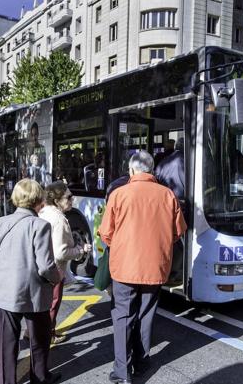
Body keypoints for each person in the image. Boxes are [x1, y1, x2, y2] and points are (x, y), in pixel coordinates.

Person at [98, 151, 187, 384]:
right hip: (155, 267)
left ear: (131, 170)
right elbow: (178, 232)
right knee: (146, 315)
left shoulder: (119, 195)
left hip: (124, 267)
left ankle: (122, 372)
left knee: (123, 317)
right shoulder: (168, 195)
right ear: (152, 170)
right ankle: (142, 362)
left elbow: (106, 234)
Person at [0, 179, 62, 384]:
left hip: (2, 292)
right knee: (39, 340)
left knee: (7, 343)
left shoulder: (0, 223)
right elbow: (46, 266)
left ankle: (6, 381)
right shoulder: (40, 225)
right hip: (34, 294)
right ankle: (39, 377)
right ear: (39, 199)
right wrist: (57, 279)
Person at [39, 181, 92, 344]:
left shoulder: (43, 212)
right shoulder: (59, 219)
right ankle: (48, 334)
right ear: (56, 201)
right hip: (54, 269)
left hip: (41, 266)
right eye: (68, 197)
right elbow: (61, 252)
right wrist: (81, 250)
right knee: (52, 304)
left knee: (41, 304)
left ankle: (34, 332)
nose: (72, 200)